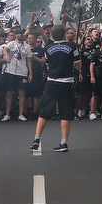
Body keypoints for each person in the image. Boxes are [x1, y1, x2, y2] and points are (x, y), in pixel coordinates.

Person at [31, 24, 80, 152]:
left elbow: (47, 63)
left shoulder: (48, 48)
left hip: (52, 82)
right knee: (65, 113)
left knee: (44, 111)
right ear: (64, 34)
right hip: (67, 83)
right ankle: (63, 142)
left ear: (52, 35)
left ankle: (36, 139)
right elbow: (77, 66)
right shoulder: (72, 47)